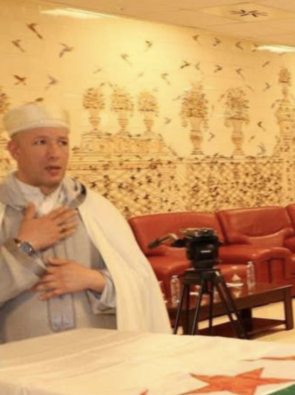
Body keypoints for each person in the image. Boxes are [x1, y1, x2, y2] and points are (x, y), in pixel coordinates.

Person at [0, 102, 169, 343]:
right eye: (40, 142)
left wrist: (94, 280)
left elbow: (143, 288)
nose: (54, 153)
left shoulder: (96, 209)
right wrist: (24, 246)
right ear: (14, 150)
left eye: (62, 142)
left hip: (98, 356)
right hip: (20, 360)